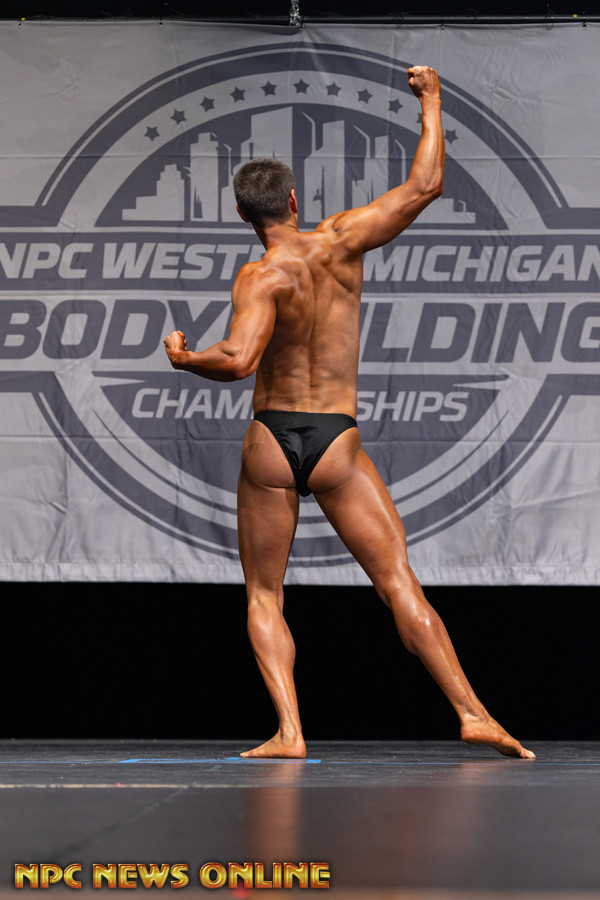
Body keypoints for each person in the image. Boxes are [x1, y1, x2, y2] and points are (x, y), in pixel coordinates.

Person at [164, 66, 535, 760]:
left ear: (245, 217)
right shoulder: (340, 240)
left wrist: (186, 359)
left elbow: (239, 360)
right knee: (397, 580)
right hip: (336, 438)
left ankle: (290, 732)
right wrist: (431, 102)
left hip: (273, 439)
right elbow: (425, 185)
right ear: (294, 201)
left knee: (265, 595)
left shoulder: (259, 276)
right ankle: (473, 712)